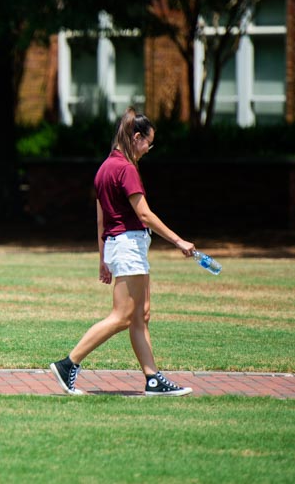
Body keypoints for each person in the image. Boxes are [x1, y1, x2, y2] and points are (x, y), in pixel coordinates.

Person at [49, 107, 195, 397]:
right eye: (147, 144)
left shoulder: (105, 168)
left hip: (121, 246)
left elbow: (101, 220)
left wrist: (103, 257)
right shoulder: (126, 169)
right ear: (136, 137)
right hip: (128, 245)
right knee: (122, 316)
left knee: (141, 315)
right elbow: (145, 215)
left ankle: (153, 378)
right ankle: (68, 364)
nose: (147, 150)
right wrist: (179, 241)